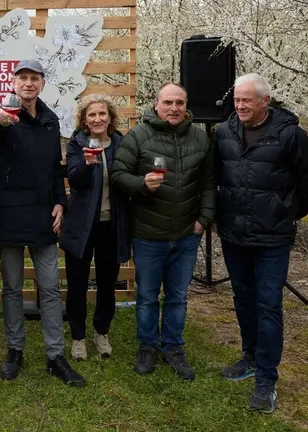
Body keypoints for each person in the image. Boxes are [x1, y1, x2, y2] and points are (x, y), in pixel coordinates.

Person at [215, 73, 308, 413]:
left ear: (265, 101)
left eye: (247, 100)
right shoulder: (224, 132)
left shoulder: (290, 135)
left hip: (272, 237)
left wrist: (285, 212)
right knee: (243, 298)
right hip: (234, 234)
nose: (240, 106)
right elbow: (216, 176)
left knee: (268, 305)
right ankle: (249, 356)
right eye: (236, 100)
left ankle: (266, 380)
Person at [0, 59, 84, 387]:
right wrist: (2, 119)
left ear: (42, 83)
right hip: (9, 212)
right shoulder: (0, 113)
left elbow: (57, 168)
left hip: (43, 214)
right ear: (14, 83)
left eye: (34, 78)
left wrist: (61, 201)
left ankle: (56, 355)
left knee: (51, 287)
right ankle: (15, 350)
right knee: (12, 287)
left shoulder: (51, 120)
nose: (28, 83)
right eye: (23, 78)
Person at [110, 82, 215, 381]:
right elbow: (118, 175)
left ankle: (173, 347)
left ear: (186, 106)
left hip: (185, 233)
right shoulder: (139, 136)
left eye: (180, 103)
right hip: (148, 234)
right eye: (168, 102)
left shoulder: (199, 136)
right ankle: (147, 346)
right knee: (146, 296)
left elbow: (208, 182)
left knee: (178, 296)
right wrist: (141, 184)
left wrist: (204, 218)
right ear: (156, 104)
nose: (174, 108)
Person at [59, 94, 130, 361]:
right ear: (84, 120)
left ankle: (102, 332)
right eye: (92, 115)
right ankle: (78, 337)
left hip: (110, 225)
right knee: (77, 284)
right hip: (81, 226)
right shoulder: (77, 144)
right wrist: (89, 165)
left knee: (106, 283)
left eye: (102, 114)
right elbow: (75, 180)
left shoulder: (121, 145)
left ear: (110, 117)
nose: (98, 119)